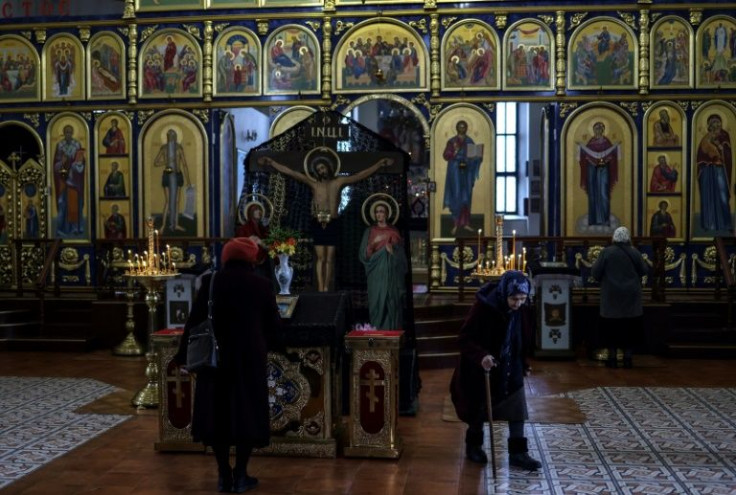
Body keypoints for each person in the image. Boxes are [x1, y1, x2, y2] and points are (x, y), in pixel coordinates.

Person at [174, 237, 280, 493]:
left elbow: (194, 322)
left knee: (217, 416)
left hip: (214, 361)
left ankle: (224, 475)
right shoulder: (262, 285)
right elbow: (274, 327)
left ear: (226, 257)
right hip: (248, 362)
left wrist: (182, 357)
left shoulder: (211, 283)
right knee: (247, 415)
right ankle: (241, 474)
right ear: (251, 258)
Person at [258, 153, 393, 292]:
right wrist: (272, 163)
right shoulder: (314, 184)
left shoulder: (338, 182)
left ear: (328, 167)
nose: (321, 170)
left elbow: (359, 175)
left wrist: (378, 165)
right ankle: (321, 287)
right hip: (318, 223)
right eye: (318, 169)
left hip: (333, 222)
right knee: (320, 258)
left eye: (323, 167)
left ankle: (326, 287)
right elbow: (292, 173)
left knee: (330, 258)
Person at [449, 270, 542, 471]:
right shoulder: (483, 307)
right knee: (480, 407)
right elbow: (464, 338)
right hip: (482, 367)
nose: (518, 303)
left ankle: (518, 453)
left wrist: (524, 363)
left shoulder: (523, 309)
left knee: (517, 409)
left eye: (522, 299)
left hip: (511, 364)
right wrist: (482, 356)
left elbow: (522, 337)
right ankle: (474, 446)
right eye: (514, 299)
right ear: (504, 294)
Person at [591, 227, 648, 369]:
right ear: (628, 238)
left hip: (611, 296)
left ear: (614, 238)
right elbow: (644, 270)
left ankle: (612, 358)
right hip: (631, 296)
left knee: (611, 327)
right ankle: (628, 358)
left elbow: (595, 273)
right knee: (630, 327)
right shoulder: (634, 252)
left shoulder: (606, 252)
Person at [359, 202, 408, 330]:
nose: (379, 214)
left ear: (386, 214)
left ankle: (391, 332)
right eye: (377, 212)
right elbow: (364, 256)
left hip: (391, 273)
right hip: (375, 274)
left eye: (381, 211)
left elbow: (401, 257)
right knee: (376, 302)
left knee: (391, 300)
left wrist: (392, 251)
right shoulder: (369, 231)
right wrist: (373, 244)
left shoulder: (393, 231)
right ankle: (377, 330)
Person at [442, 120, 483, 236]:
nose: (462, 128)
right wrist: (454, 151)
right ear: (456, 128)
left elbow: (473, 156)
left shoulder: (469, 141)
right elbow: (446, 156)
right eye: (460, 126)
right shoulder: (452, 141)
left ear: (466, 128)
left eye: (464, 126)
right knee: (456, 194)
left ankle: (465, 223)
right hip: (455, 170)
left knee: (466, 196)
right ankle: (455, 223)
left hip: (467, 172)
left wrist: (478, 157)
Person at [696, 113, 733, 232]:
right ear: (709, 125)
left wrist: (721, 149)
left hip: (720, 170)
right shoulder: (706, 137)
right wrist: (708, 158)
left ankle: (726, 224)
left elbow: (727, 154)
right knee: (708, 197)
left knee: (722, 196)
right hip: (708, 171)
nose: (716, 125)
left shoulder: (724, 136)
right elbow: (700, 156)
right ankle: (709, 224)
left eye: (718, 122)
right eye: (714, 123)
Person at [578, 121, 619, 227]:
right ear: (593, 130)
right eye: (596, 128)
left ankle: (605, 219)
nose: (598, 130)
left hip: (604, 169)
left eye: (600, 128)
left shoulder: (606, 142)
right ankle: (593, 220)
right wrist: (589, 158)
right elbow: (585, 155)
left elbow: (612, 155)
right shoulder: (590, 142)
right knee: (592, 193)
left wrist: (606, 160)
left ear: (603, 130)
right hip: (591, 169)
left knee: (603, 193)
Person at [153, 129, 191, 233]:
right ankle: (164, 225)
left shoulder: (179, 148)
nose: (171, 136)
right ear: (167, 136)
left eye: (173, 134)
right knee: (168, 201)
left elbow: (184, 164)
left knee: (177, 201)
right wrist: (166, 161)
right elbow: (156, 163)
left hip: (178, 175)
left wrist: (188, 180)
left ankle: (176, 224)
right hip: (167, 175)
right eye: (169, 135)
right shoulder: (164, 148)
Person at [53, 125, 86, 236]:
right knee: (62, 204)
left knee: (75, 204)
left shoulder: (77, 145)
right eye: (66, 132)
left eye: (70, 132)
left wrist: (78, 163)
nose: (68, 134)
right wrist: (61, 162)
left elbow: (81, 162)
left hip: (74, 181)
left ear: (72, 133)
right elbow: (55, 165)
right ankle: (61, 229)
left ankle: (75, 228)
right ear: (64, 133)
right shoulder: (60, 145)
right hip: (62, 181)